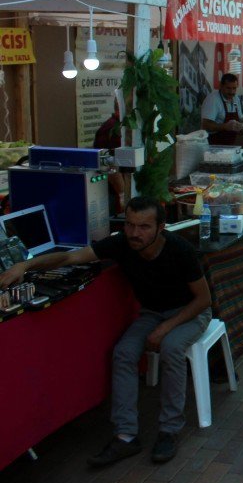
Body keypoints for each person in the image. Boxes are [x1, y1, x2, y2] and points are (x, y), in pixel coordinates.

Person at [0, 197, 212, 466]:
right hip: (152, 313)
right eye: (130, 225)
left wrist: (165, 328)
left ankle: (169, 430)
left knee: (171, 347)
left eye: (144, 227)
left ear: (161, 227)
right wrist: (25, 265)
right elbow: (69, 256)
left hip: (189, 312)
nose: (135, 233)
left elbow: (203, 300)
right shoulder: (122, 244)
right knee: (123, 353)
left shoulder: (180, 250)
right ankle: (126, 436)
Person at [201, 73, 243, 145]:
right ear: (221, 86)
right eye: (228, 88)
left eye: (234, 88)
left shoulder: (236, 99)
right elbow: (206, 125)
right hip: (213, 146)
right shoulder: (213, 99)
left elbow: (240, 120)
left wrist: (241, 128)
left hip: (230, 146)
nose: (231, 92)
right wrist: (225, 126)